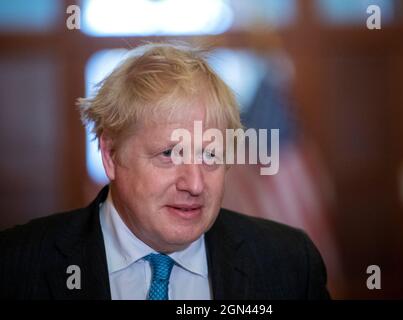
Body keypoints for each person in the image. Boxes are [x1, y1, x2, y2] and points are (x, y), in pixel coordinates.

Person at [0, 43, 330, 300]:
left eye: (210, 154)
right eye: (169, 154)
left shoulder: (288, 264)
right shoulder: (17, 266)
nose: (196, 184)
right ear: (111, 154)